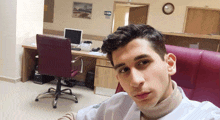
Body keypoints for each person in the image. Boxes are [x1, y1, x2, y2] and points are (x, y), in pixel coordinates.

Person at [59, 24, 220, 120]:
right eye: (124, 70)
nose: (135, 81)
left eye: (143, 62)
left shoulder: (206, 116)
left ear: (169, 64)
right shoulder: (118, 104)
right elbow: (75, 116)